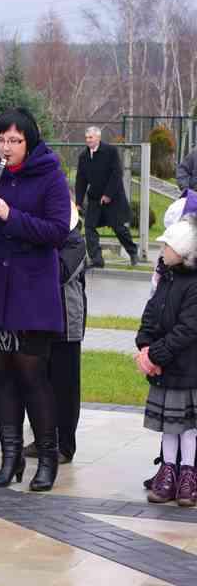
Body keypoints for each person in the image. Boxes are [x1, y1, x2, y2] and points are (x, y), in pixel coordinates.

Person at [0, 107, 71, 492]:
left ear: (30, 141)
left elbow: (58, 231)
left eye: (15, 141)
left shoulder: (51, 177)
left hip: (32, 293)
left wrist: (10, 215)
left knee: (32, 375)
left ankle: (46, 458)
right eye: (2, 140)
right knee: (0, 374)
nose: (7, 147)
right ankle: (9, 459)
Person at [136, 216, 197, 506]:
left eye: (167, 246)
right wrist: (145, 345)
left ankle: (188, 475)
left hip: (187, 369)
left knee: (187, 428)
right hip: (165, 367)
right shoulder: (165, 278)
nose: (162, 251)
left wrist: (157, 354)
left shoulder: (193, 285)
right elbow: (150, 314)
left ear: (183, 251)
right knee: (169, 427)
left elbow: (188, 329)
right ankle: (168, 472)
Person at [24, 199, 87, 464]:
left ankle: (64, 444)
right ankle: (43, 438)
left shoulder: (75, 242)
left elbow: (60, 272)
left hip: (65, 322)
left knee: (64, 386)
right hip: (36, 320)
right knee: (37, 382)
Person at [74, 126, 138, 268]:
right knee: (89, 227)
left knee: (119, 228)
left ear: (98, 137)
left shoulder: (110, 152)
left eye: (90, 137)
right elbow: (81, 180)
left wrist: (108, 194)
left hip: (113, 197)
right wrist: (78, 202)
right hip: (95, 198)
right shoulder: (83, 156)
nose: (88, 140)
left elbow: (116, 174)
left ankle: (133, 252)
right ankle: (97, 259)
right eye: (86, 138)